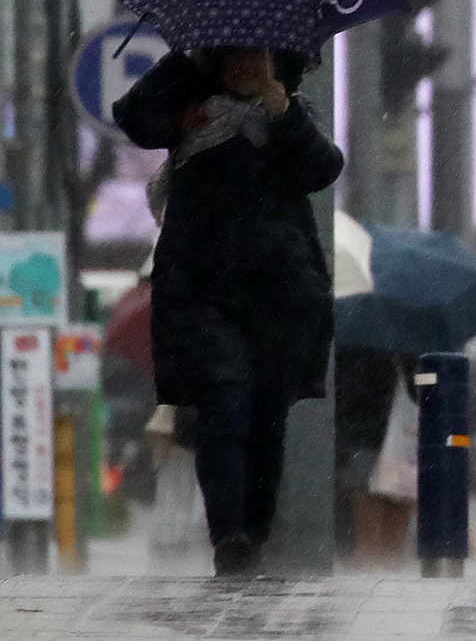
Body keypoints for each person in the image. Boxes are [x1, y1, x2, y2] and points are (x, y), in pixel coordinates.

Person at [113, 47, 343, 576]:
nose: (246, 61)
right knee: (223, 401)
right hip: (200, 286)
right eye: (237, 53)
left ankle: (253, 534)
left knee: (267, 415)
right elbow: (134, 119)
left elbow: (321, 168)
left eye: (257, 55)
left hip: (279, 289)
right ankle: (229, 536)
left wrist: (275, 103)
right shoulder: (188, 86)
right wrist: (185, 87)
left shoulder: (291, 106)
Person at [335, 346, 418, 570]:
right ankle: (386, 558)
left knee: (368, 483)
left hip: (367, 421)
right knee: (392, 485)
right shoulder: (412, 332)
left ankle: (373, 556)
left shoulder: (357, 336)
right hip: (385, 423)